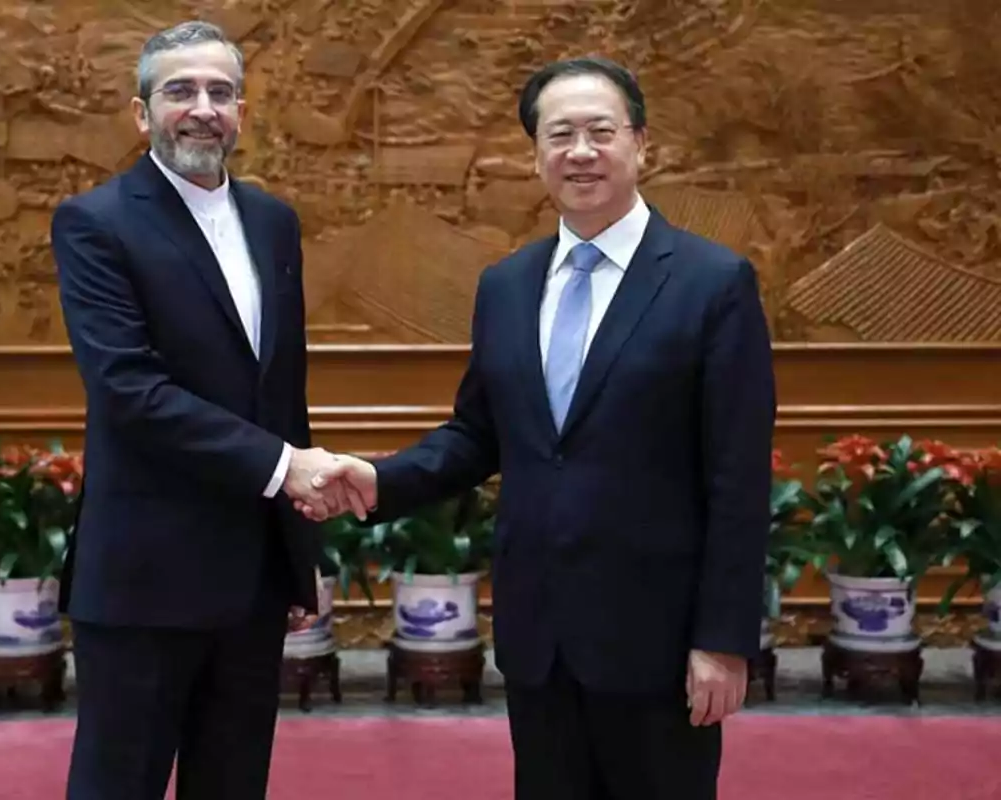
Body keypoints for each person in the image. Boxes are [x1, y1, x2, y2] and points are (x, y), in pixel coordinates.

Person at [301, 56, 777, 800]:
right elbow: (477, 434)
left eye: (599, 132)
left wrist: (722, 641)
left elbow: (739, 476)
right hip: (541, 639)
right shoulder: (508, 285)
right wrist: (379, 479)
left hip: (657, 641)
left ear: (641, 145)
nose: (579, 152)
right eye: (560, 135)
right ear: (536, 156)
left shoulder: (711, 283)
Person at [51, 21, 362, 800]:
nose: (201, 108)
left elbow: (281, 396)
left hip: (249, 581)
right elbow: (129, 390)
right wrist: (287, 468)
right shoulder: (96, 223)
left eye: (220, 93)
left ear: (243, 114)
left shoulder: (273, 222)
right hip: (144, 580)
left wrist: (297, 559)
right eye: (180, 90)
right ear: (140, 112)